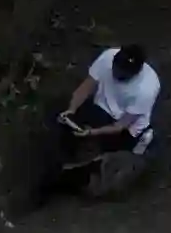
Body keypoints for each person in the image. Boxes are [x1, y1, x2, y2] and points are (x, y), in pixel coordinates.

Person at [42, 44, 161, 200]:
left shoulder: (147, 89)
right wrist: (71, 110)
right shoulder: (107, 57)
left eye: (122, 73)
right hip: (101, 108)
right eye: (116, 68)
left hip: (127, 127)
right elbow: (85, 88)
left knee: (105, 173)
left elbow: (120, 126)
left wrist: (91, 133)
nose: (116, 73)